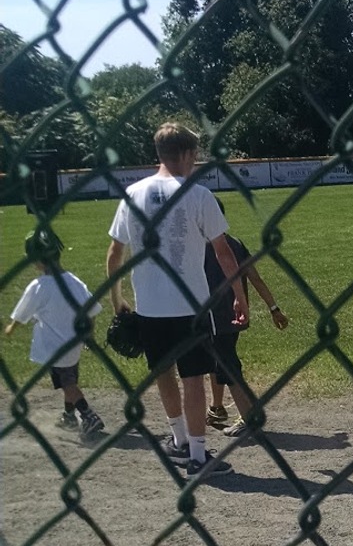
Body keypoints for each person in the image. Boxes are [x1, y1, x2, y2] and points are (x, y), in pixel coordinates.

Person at [105, 123, 249, 480]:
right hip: (192, 307)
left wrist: (117, 300)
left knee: (163, 373)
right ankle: (199, 456)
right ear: (185, 154)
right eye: (194, 155)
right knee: (194, 379)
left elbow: (114, 254)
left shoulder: (132, 194)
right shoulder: (199, 195)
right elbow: (224, 254)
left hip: (150, 306)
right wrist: (239, 296)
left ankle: (179, 440)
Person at [5, 233, 105, 438]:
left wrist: (11, 327)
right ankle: (69, 417)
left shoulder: (39, 286)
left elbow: (21, 314)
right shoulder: (74, 281)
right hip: (74, 344)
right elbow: (92, 309)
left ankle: (88, 415)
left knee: (67, 384)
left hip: (55, 347)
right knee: (70, 378)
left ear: (38, 260)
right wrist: (89, 335)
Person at [204, 197, 289, 435]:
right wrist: (274, 309)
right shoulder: (235, 243)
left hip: (216, 317)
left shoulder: (202, 247)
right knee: (218, 358)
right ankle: (217, 407)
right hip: (233, 316)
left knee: (228, 363)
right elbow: (255, 278)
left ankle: (247, 416)